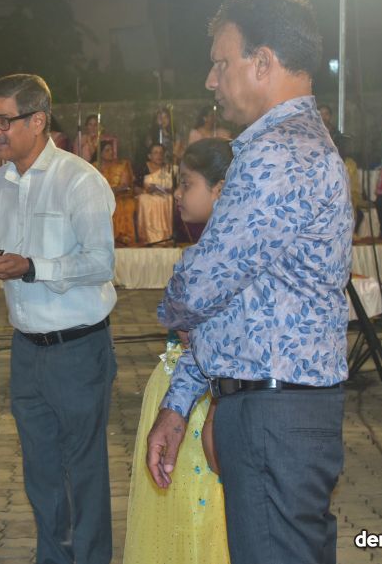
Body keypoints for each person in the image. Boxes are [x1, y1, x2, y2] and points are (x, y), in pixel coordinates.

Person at [147, 0, 350, 564]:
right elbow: (234, 306)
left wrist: (171, 304)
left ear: (262, 62)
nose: (211, 80)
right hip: (274, 405)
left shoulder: (278, 152)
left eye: (220, 63)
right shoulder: (288, 145)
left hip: (272, 415)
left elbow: (202, 286)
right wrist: (180, 401)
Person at [0, 73, 117, 564]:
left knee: (82, 472)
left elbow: (101, 263)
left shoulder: (80, 180)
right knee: (42, 473)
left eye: (3, 120)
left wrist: (32, 267)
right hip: (26, 350)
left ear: (38, 121)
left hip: (78, 349)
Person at [123, 138, 232, 564]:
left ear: (220, 190)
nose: (178, 194)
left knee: (200, 511)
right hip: (173, 389)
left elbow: (202, 340)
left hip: (199, 397)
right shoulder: (198, 254)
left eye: (187, 184)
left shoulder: (220, 263)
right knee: (177, 516)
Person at [97, 141, 137, 246]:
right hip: (100, 196)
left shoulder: (122, 165)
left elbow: (125, 185)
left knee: (124, 205)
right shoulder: (94, 167)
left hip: (120, 195)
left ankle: (123, 236)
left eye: (112, 150)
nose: (111, 152)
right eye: (107, 150)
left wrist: (113, 190)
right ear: (100, 153)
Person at [136, 144, 177, 246]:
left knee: (169, 199)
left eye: (161, 153)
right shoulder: (143, 168)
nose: (159, 155)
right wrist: (146, 190)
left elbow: (176, 188)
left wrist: (167, 190)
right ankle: (148, 237)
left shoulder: (169, 169)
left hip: (165, 195)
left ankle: (166, 236)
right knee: (144, 199)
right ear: (149, 156)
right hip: (147, 195)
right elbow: (136, 187)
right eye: (155, 153)